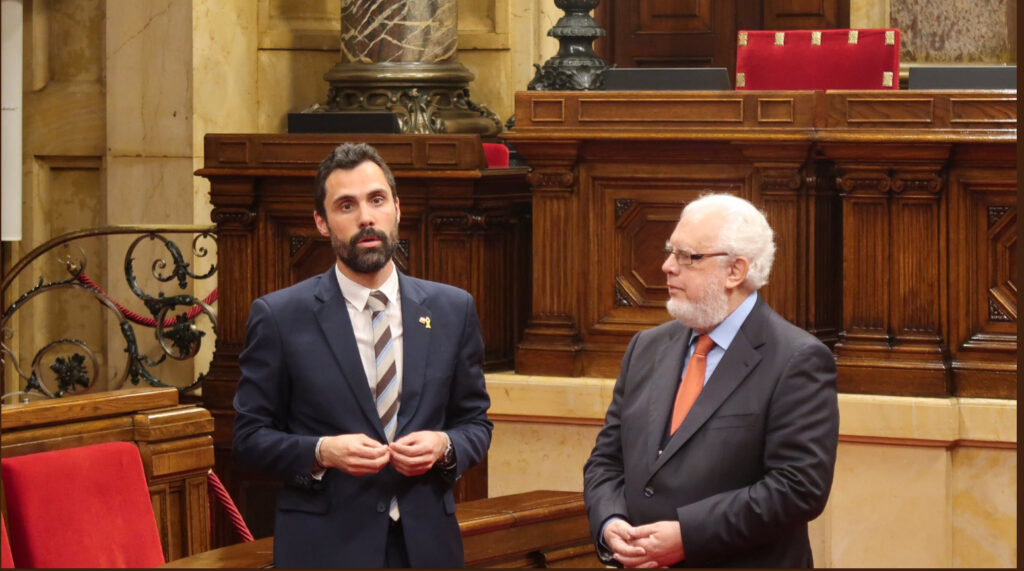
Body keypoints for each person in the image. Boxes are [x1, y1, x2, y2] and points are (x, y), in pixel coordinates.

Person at [232, 142, 492, 568]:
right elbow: (248, 439)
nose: (366, 217)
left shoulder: (452, 309)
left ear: (397, 209)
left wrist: (444, 445)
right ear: (321, 222)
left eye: (377, 200)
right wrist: (322, 452)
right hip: (325, 549)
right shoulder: (280, 317)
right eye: (346, 205)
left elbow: (475, 422)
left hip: (426, 547)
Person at [583, 193, 839, 568]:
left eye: (688, 257)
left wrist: (689, 536)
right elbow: (606, 461)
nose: (667, 266)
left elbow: (798, 488)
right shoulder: (646, 347)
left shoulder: (797, 359)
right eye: (671, 252)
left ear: (735, 271)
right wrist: (610, 521)